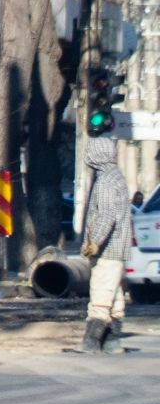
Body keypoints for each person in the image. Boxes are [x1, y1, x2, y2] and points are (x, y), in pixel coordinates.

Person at [80, 139, 132, 354]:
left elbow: (106, 215)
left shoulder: (105, 182)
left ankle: (90, 342)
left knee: (101, 293)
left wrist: (95, 241)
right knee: (115, 296)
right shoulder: (116, 176)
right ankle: (112, 342)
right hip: (118, 248)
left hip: (107, 249)